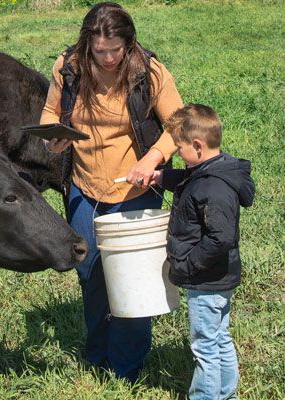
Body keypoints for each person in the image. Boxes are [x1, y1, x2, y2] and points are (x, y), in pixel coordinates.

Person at [39, 2, 183, 381]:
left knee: (131, 280)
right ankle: (98, 353)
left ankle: (126, 368)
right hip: (85, 189)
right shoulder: (67, 68)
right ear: (87, 44)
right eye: (99, 51)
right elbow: (50, 115)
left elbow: (179, 124)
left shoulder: (148, 72)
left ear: (129, 44)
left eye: (114, 51)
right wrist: (54, 138)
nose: (106, 58)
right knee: (91, 274)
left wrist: (152, 159)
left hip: (134, 192)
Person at [150, 104, 255, 399]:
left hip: (206, 279)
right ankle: (227, 394)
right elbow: (190, 182)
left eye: (179, 148)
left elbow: (221, 238)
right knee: (219, 338)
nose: (177, 155)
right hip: (218, 277)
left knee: (205, 346)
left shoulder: (214, 187)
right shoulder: (211, 170)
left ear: (197, 145)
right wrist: (161, 178)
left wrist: (187, 265)